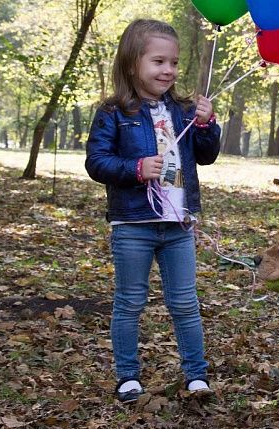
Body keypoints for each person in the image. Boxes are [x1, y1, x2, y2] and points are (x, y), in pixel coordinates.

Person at [85, 19, 220, 403]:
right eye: (158, 61)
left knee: (185, 302)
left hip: (177, 225)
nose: (169, 70)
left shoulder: (182, 109)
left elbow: (206, 155)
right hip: (133, 224)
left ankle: (196, 375)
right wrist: (135, 168)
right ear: (132, 64)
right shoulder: (114, 112)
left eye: (174, 63)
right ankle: (128, 376)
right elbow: (96, 161)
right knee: (130, 301)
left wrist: (207, 125)